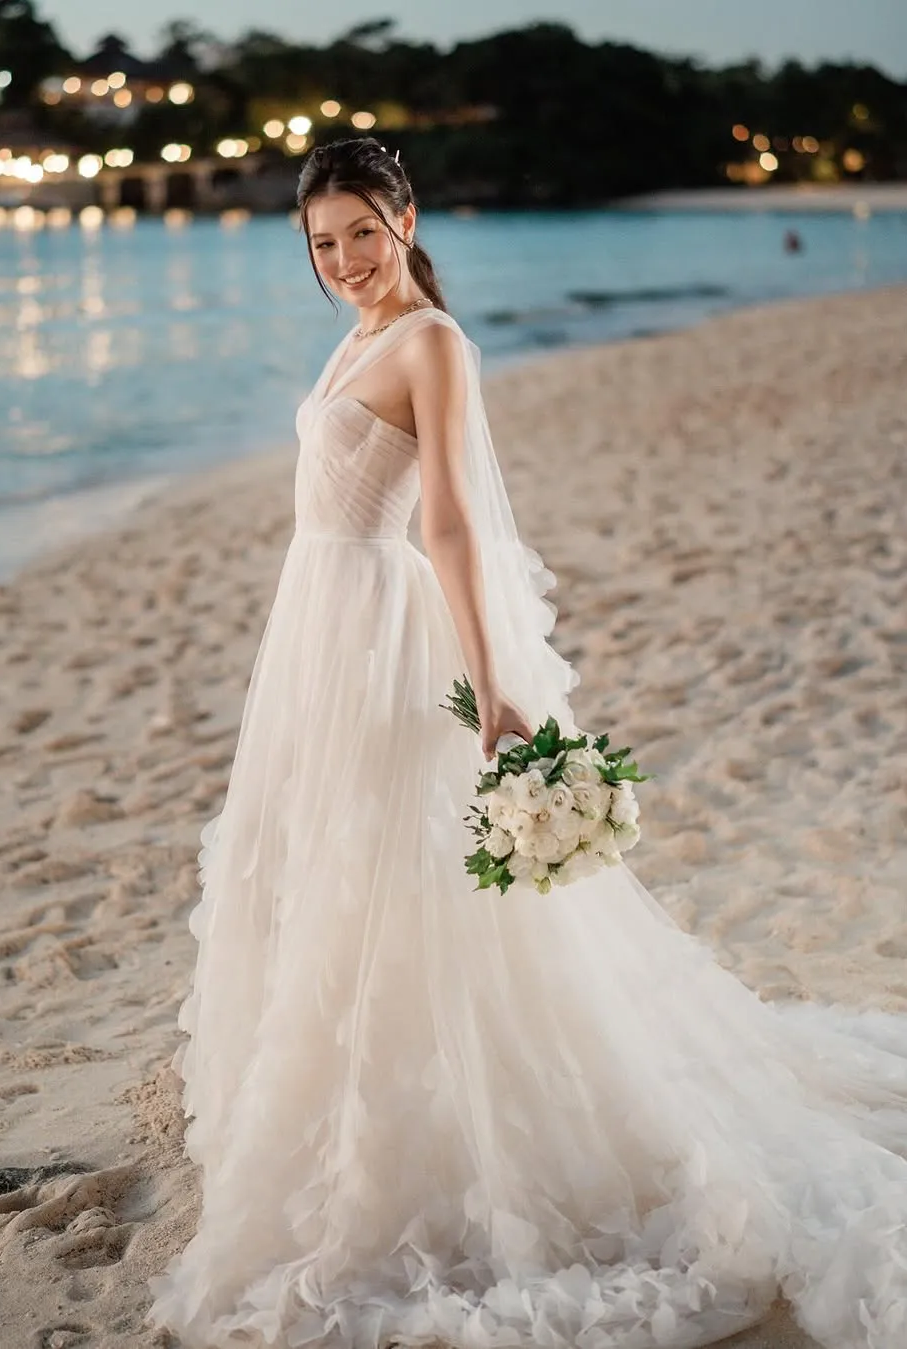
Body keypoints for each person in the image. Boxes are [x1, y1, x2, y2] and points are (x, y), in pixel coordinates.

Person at [148, 137, 907, 1349]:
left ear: (407, 219)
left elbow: (446, 512)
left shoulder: (434, 342)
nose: (342, 258)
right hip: (320, 628)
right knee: (341, 857)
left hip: (389, 633)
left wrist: (494, 679)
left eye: (360, 231)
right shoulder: (357, 334)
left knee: (415, 866)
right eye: (321, 241)